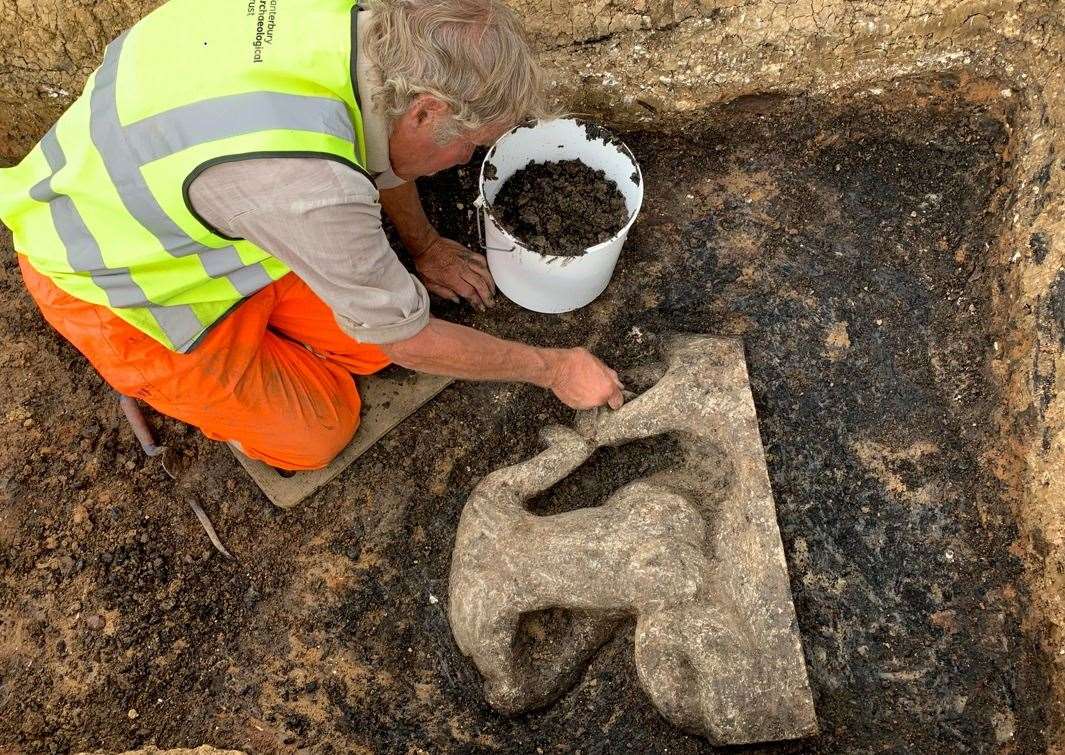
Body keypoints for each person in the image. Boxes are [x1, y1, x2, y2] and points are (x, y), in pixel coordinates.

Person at [0, 0, 625, 471]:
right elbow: (405, 337)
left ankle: (262, 347)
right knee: (320, 431)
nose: (465, 162)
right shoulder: (312, 190)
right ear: (426, 111)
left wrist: (426, 247)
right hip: (119, 284)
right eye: (471, 144)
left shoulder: (363, 26)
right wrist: (552, 367)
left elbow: (374, 135)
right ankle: (159, 382)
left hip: (208, 214)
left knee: (367, 346)